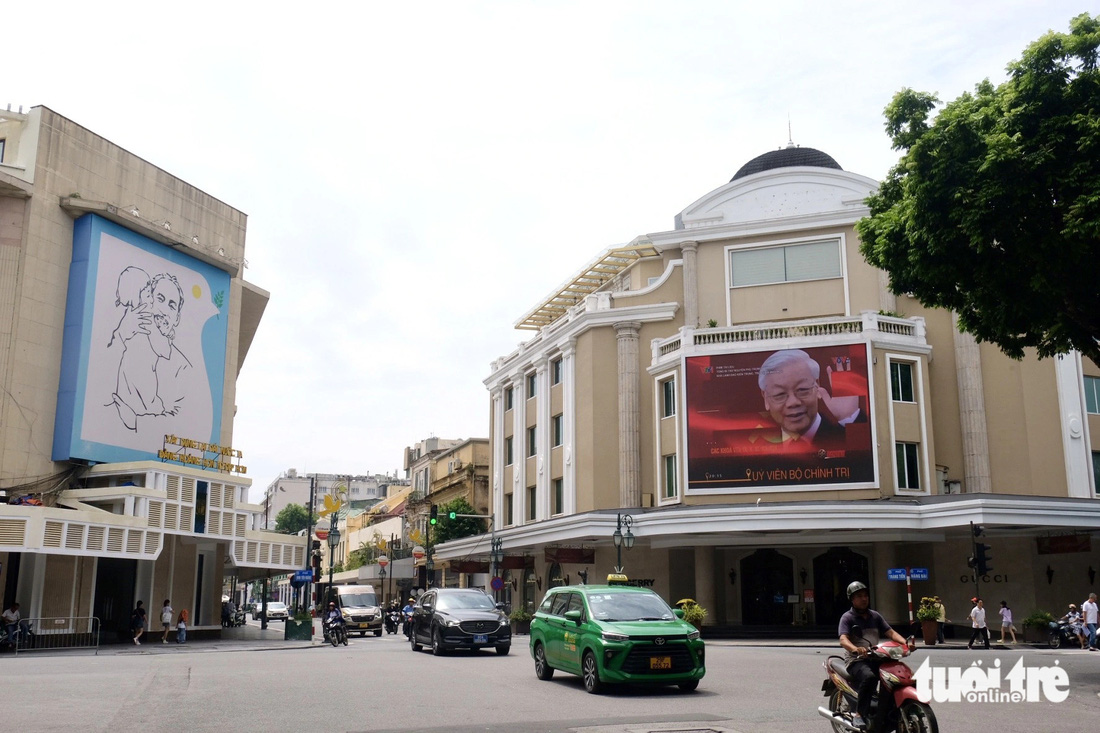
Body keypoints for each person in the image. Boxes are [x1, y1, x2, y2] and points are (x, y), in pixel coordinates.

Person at [837, 581, 911, 731]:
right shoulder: (847, 617)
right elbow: (843, 639)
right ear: (852, 599)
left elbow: (890, 632)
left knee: (897, 676)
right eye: (859, 596)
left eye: (865, 595)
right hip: (856, 660)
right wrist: (855, 649)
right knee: (870, 677)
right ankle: (859, 714)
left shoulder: (875, 616)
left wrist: (905, 643)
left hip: (876, 657)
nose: (864, 599)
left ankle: (888, 712)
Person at [757, 350, 863, 451]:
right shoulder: (757, 452)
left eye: (802, 390)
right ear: (766, 398)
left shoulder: (841, 438)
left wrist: (849, 417)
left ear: (817, 385)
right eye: (780, 394)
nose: (793, 402)